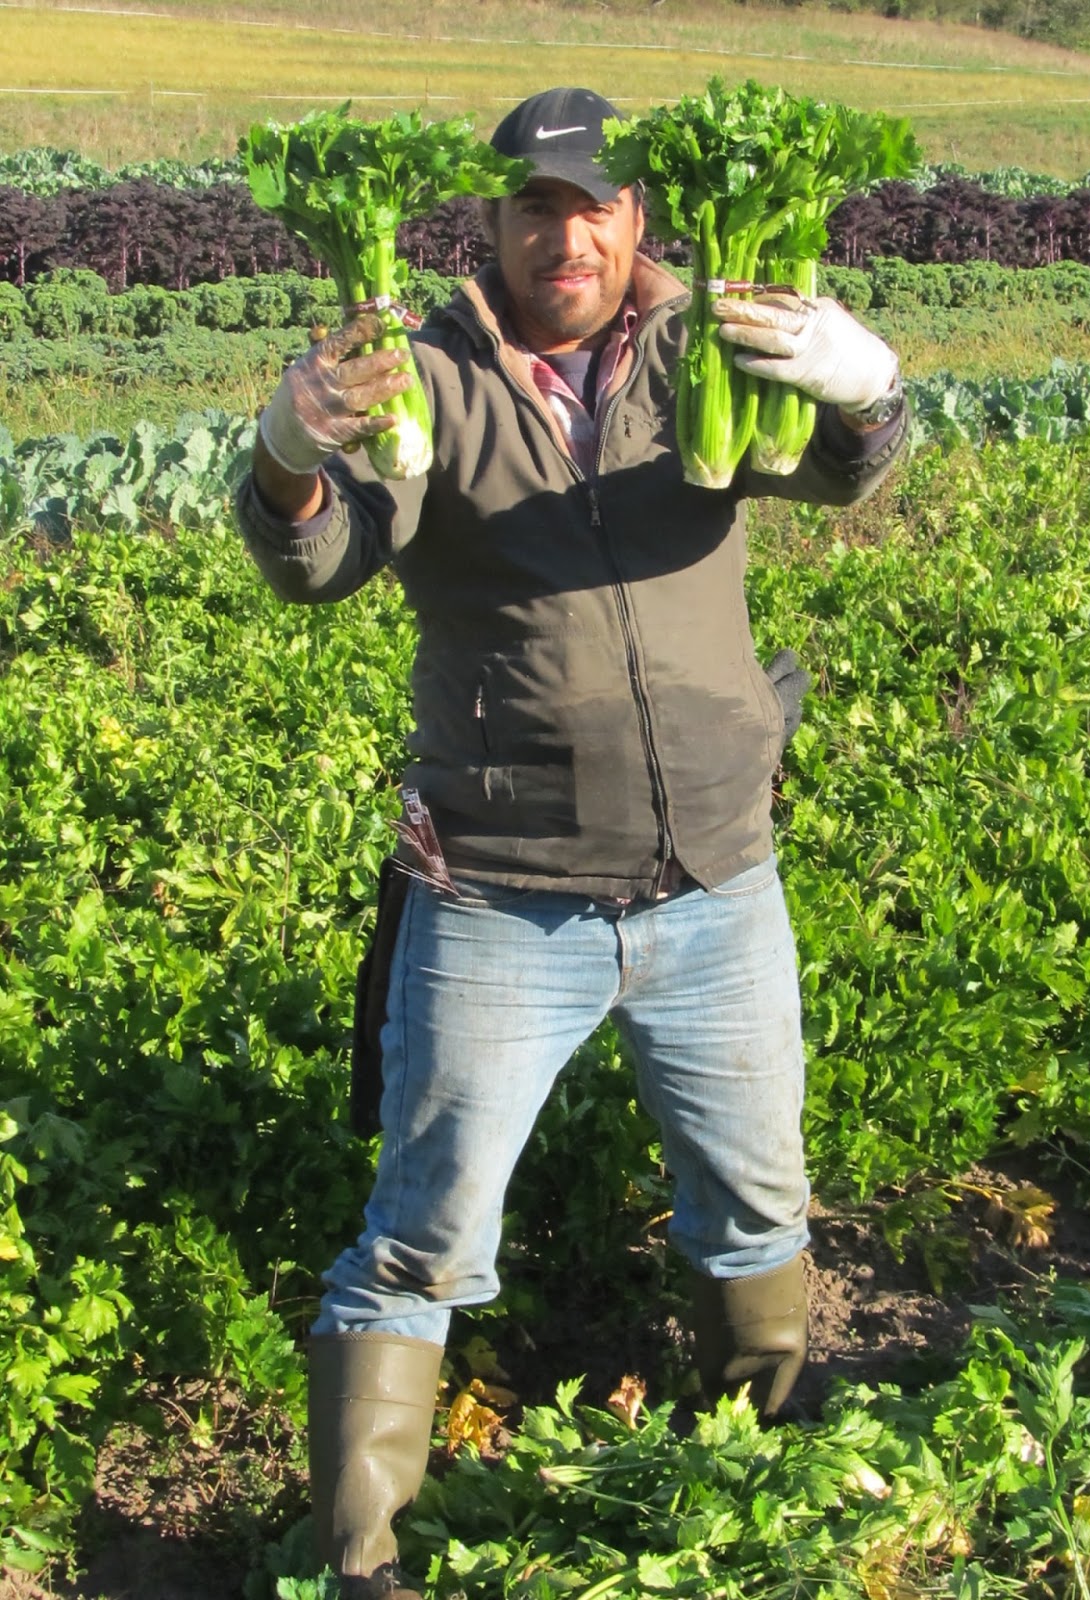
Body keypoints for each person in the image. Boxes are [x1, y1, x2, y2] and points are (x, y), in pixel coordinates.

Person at [238, 86, 908, 1600]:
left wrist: (870, 389)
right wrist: (286, 456)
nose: (569, 234)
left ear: (637, 219)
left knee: (759, 1204)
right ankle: (361, 1557)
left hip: (717, 880)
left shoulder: (708, 344)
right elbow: (323, 553)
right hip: (501, 894)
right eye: (537, 208)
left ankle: (764, 1467)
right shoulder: (424, 373)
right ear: (495, 224)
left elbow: (847, 467)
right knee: (420, 1240)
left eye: (596, 205)